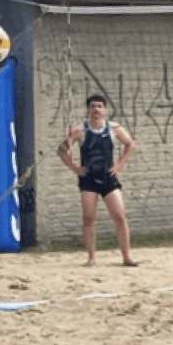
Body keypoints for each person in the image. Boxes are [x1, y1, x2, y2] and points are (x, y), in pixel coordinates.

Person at [57, 93, 138, 267]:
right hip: (89, 180)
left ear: (105, 111)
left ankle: (126, 257)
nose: (96, 109)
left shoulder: (114, 129)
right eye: (93, 106)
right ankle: (92, 258)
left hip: (109, 178)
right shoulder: (79, 131)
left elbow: (130, 144)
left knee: (119, 217)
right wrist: (74, 167)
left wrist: (120, 164)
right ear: (88, 111)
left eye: (99, 106)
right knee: (88, 219)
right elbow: (62, 150)